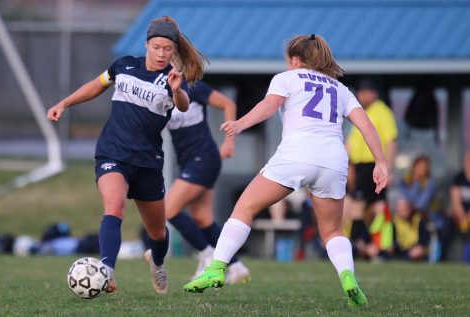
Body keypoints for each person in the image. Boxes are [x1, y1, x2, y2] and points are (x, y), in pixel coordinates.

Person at [183, 34, 388, 307]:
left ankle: (217, 267)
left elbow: (269, 106)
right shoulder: (339, 88)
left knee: (245, 208)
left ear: (294, 59)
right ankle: (348, 276)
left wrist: (240, 124)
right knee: (332, 232)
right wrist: (381, 163)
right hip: (333, 160)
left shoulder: (286, 78)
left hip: (297, 154)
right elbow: (366, 125)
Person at [47, 15, 206, 294]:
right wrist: (65, 102)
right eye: (156, 47)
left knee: (157, 232)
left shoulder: (171, 79)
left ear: (174, 50)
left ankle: (156, 263)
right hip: (113, 153)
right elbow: (97, 85)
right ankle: (106, 271)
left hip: (147, 161)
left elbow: (182, 106)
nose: (161, 53)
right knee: (114, 205)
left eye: (167, 49)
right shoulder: (124, 65)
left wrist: (178, 89)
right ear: (147, 44)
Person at [164, 80, 251, 284]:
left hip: (203, 159)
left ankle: (206, 253)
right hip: (188, 162)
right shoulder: (159, 92)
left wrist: (229, 142)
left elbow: (228, 104)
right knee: (203, 219)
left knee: (168, 210)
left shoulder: (193, 88)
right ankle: (237, 267)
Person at [345, 78, 397, 230]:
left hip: (372, 166)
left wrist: (389, 168)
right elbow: (350, 145)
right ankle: (370, 243)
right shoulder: (362, 113)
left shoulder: (382, 110)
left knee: (360, 204)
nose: (363, 95)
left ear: (374, 93)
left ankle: (362, 242)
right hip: (359, 167)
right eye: (361, 92)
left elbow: (391, 141)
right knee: (371, 205)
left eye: (367, 92)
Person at [450, 150, 470, 263]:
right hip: (461, 215)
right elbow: (455, 201)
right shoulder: (458, 178)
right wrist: (463, 216)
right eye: (467, 162)